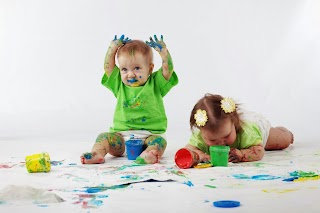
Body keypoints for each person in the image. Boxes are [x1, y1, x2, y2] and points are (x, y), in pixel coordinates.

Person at [80, 35, 178, 164]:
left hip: (149, 137)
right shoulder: (119, 84)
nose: (130, 74)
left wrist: (164, 52)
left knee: (160, 142)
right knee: (103, 137)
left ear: (150, 68)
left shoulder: (156, 83)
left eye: (137, 68)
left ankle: (148, 154)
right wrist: (112, 49)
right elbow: (108, 67)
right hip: (121, 138)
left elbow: (168, 70)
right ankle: (97, 153)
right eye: (124, 69)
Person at [184, 93, 294, 163]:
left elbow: (259, 151)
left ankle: (284, 132)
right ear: (201, 132)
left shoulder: (246, 133)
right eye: (212, 140)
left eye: (226, 136)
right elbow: (188, 149)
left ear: (234, 122)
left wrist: (241, 154)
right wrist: (202, 156)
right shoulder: (200, 135)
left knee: (283, 141)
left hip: (259, 130)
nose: (221, 143)